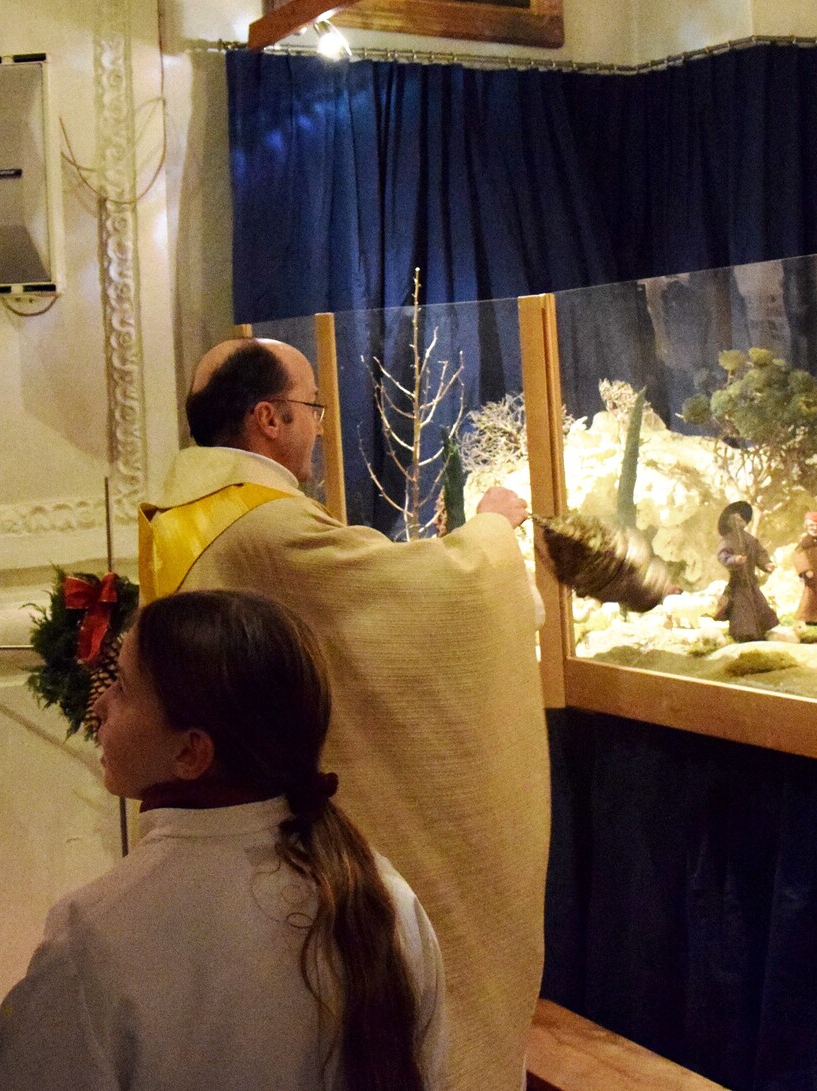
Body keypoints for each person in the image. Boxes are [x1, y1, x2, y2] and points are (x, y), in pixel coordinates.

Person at [136, 338, 546, 1091]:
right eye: (314, 407)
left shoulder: (185, 510)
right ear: (269, 418)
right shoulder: (260, 527)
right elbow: (426, 600)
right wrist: (491, 534)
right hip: (277, 860)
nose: (322, 427)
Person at [0, 590, 447, 1090]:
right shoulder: (391, 901)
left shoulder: (95, 938)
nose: (98, 704)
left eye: (122, 687)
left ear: (191, 753)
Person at [715, 500, 776, 642]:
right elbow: (723, 556)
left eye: (740, 519)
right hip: (737, 582)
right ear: (729, 521)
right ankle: (743, 635)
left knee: (759, 604)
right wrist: (734, 560)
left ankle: (760, 632)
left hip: (751, 581)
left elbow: (760, 553)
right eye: (735, 520)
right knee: (741, 609)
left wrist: (766, 564)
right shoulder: (727, 540)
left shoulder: (750, 540)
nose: (738, 522)